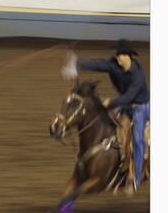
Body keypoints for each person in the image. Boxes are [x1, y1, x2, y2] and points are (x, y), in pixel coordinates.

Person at [62, 39, 150, 192]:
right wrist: (77, 63)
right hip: (126, 105)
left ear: (128, 56)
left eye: (120, 54)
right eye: (117, 54)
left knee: (137, 138)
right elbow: (98, 64)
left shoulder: (137, 75)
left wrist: (111, 102)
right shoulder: (114, 65)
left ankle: (135, 178)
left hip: (141, 107)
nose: (117, 57)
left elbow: (129, 97)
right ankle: (116, 159)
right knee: (105, 119)